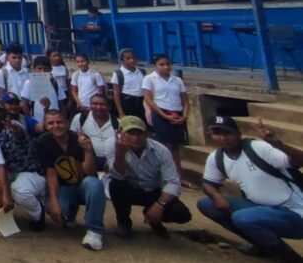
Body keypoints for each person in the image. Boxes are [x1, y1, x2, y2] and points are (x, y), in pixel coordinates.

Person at [199, 115, 303, 262]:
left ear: (238, 134)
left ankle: (289, 258)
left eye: (227, 133)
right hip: (261, 207)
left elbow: (299, 160)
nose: (222, 138)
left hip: (295, 211)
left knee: (243, 218)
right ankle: (263, 245)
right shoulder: (216, 157)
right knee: (207, 205)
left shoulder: (258, 148)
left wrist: (276, 143)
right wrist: (217, 196)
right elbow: (208, 183)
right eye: (217, 133)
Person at [108, 115, 191, 239]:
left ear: (147, 133)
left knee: (182, 214)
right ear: (120, 133)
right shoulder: (112, 145)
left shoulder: (161, 150)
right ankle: (123, 222)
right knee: (115, 185)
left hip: (154, 191)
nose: (136, 138)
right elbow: (117, 175)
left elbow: (173, 182)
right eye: (131, 133)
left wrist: (160, 204)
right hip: (129, 189)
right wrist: (120, 155)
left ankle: (154, 219)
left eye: (140, 133)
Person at [37, 110, 106, 251]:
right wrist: (54, 202)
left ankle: (94, 231)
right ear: (46, 125)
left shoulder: (80, 139)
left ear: (67, 123)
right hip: (63, 187)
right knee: (57, 209)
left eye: (59, 122)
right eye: (51, 123)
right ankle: (70, 213)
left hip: (83, 183)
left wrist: (88, 151)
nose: (56, 126)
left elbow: (90, 172)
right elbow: (51, 174)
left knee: (95, 184)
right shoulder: (44, 142)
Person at [0, 98, 47, 231]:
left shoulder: (14, 124)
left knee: (19, 190)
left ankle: (38, 213)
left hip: (26, 172)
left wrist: (16, 131)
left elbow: (19, 133)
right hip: (3, 171)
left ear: (5, 112)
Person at [143, 54, 190, 182]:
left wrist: (184, 116)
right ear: (155, 66)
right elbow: (149, 99)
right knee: (164, 146)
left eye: (168, 64)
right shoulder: (149, 79)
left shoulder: (177, 80)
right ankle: (166, 175)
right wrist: (163, 115)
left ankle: (179, 175)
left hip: (176, 113)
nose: (166, 67)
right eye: (161, 64)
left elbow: (185, 100)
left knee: (176, 147)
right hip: (161, 113)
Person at [73, 94, 117, 171]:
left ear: (109, 107)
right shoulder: (80, 118)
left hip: (110, 161)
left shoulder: (117, 123)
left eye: (102, 104)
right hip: (87, 158)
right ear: (90, 105)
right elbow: (71, 138)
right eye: (95, 104)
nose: (98, 107)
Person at [112, 48, 146, 119]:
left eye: (133, 58)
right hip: (128, 103)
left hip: (142, 103)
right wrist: (121, 112)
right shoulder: (118, 74)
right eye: (128, 58)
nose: (132, 60)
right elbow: (116, 94)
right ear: (122, 61)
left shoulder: (142, 72)